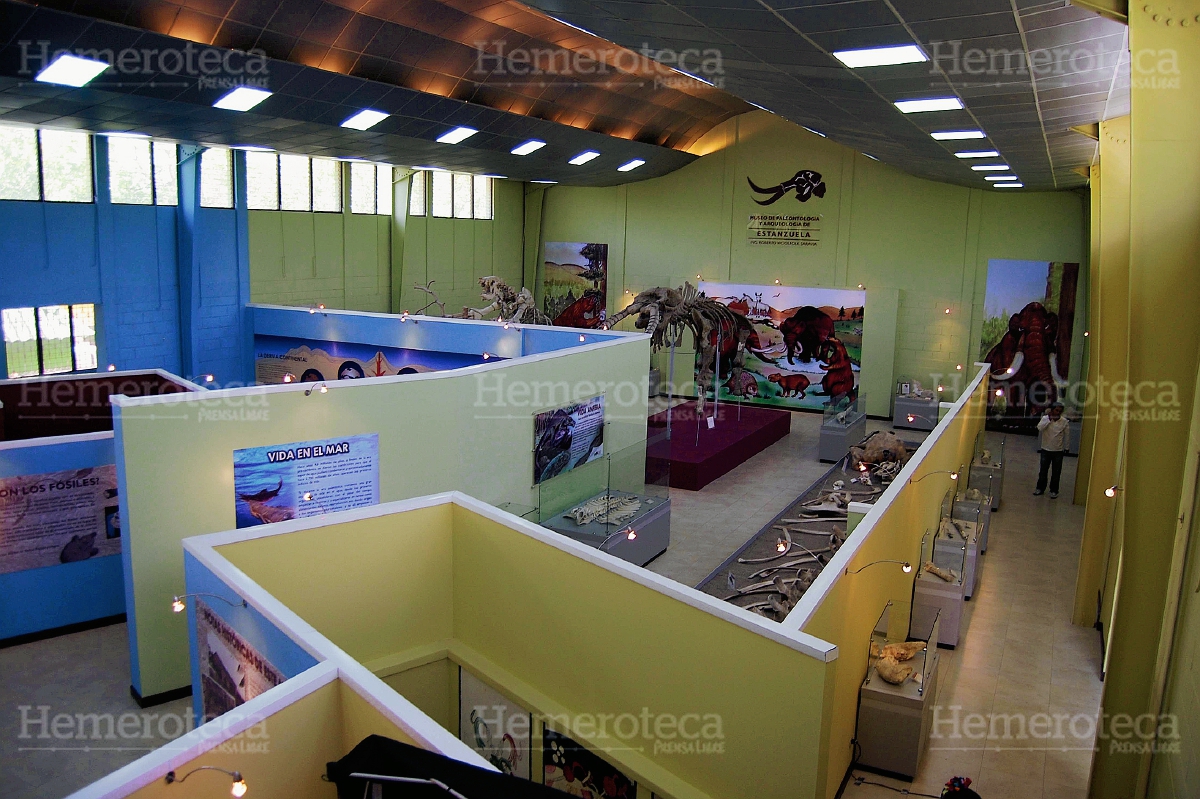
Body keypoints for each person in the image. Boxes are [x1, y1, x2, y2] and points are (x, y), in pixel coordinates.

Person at [1034, 402, 1070, 498]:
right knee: (1043, 471)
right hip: (1045, 449)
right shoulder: (1045, 419)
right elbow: (1039, 428)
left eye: (1060, 411)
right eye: (1056, 410)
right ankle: (1040, 488)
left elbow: (1067, 436)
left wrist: (1067, 448)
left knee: (1056, 472)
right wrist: (1049, 420)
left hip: (1058, 451)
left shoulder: (1064, 421)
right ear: (1052, 410)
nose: (1058, 413)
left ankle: (1054, 490)